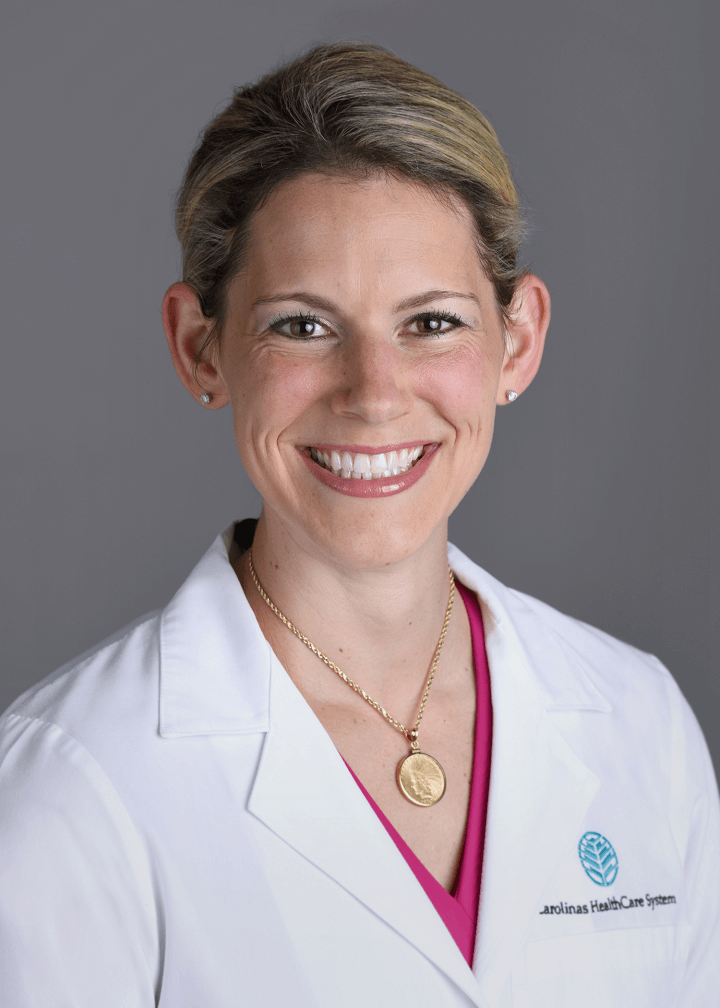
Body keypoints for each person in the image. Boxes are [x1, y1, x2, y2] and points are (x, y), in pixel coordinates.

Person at [0, 41, 718, 1008]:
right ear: (201, 348)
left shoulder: (642, 723)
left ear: (518, 341)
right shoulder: (70, 788)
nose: (374, 395)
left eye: (432, 322)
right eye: (303, 325)